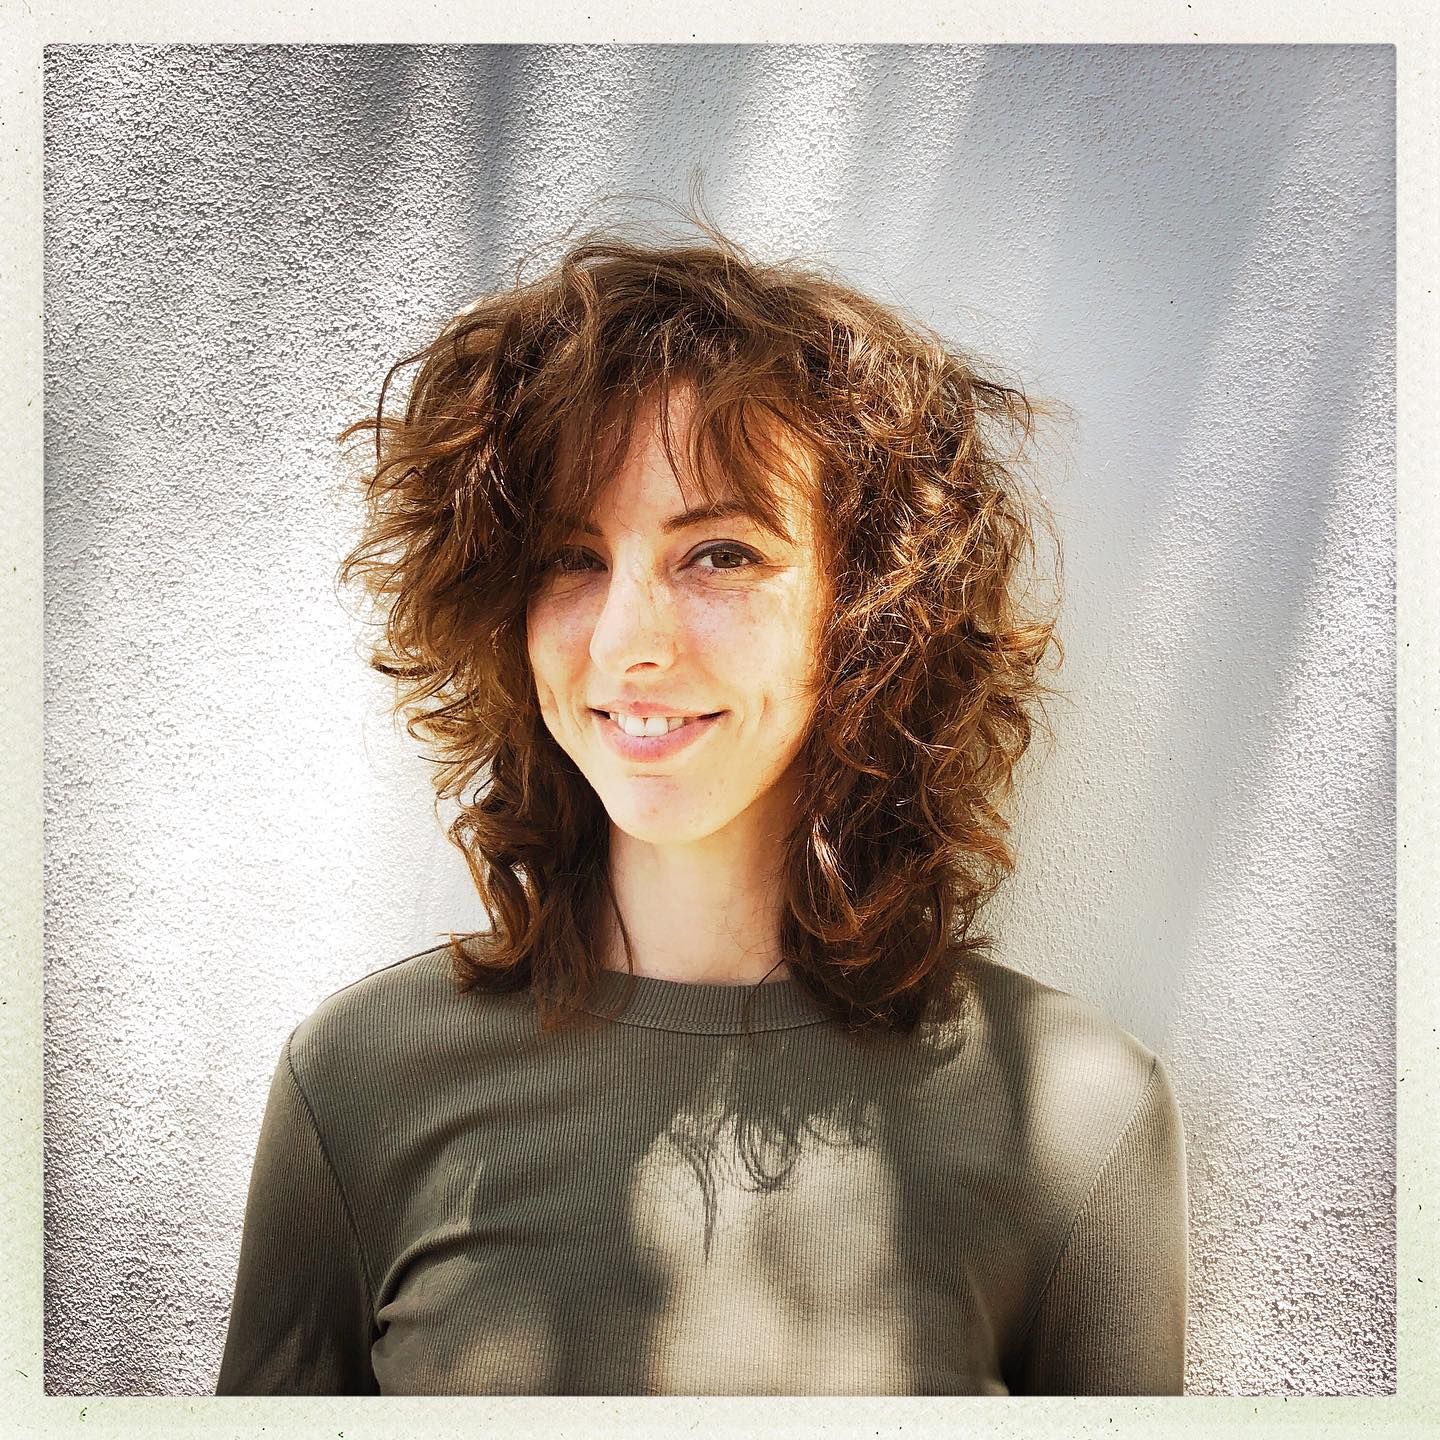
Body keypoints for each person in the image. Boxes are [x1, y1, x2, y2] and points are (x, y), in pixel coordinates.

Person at [215, 221, 1188, 1396]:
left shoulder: (1076, 1118)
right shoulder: (358, 1082)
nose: (628, 643)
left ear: (870, 608)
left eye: (719, 554)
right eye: (570, 559)